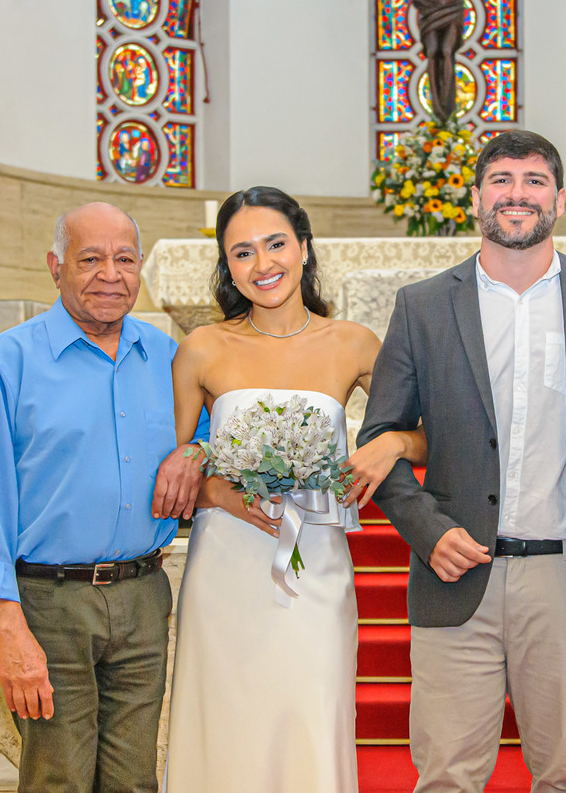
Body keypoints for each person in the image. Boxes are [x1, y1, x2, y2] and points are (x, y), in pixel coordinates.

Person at [359, 130, 566, 792]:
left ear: (560, 199)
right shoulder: (423, 306)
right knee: (446, 777)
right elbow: (380, 436)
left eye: (534, 180)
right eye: (501, 180)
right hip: (456, 572)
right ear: (475, 198)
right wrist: (429, 533)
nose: (517, 193)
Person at [162, 186, 426, 792]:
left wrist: (392, 444)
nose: (263, 264)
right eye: (242, 253)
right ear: (227, 266)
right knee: (225, 720)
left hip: (315, 566)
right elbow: (175, 475)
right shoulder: (203, 348)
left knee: (312, 709)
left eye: (276, 244)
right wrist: (223, 493)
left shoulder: (353, 343)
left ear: (304, 248)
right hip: (226, 564)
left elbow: (428, 436)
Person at [0, 202, 205, 792]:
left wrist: (194, 452)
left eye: (124, 259)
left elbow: (214, 430)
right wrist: (9, 629)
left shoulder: (168, 357)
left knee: (133, 780)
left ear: (141, 267)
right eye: (90, 259)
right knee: (57, 779)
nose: (109, 275)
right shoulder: (8, 363)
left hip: (144, 594)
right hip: (48, 603)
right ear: (55, 266)